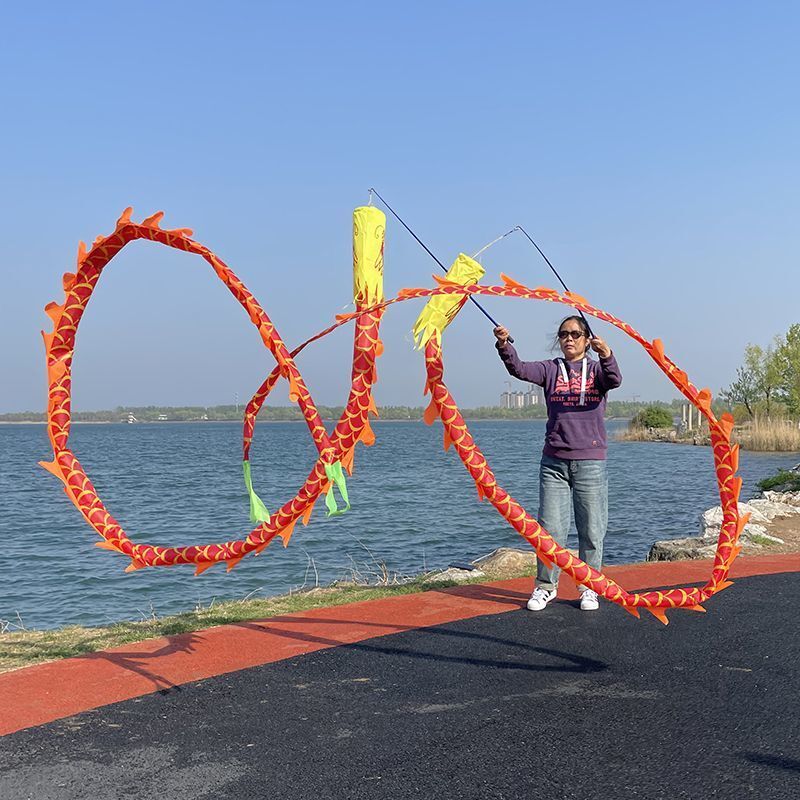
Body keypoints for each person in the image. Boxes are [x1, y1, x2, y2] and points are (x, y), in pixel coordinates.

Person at [494, 315, 622, 611]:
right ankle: (545, 587)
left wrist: (607, 354)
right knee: (549, 529)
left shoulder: (597, 371)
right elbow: (520, 369)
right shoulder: (551, 369)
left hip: (590, 461)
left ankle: (589, 586)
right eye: (564, 334)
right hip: (553, 462)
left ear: (587, 339)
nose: (569, 339)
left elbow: (614, 379)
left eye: (576, 334)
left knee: (591, 529)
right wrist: (504, 344)